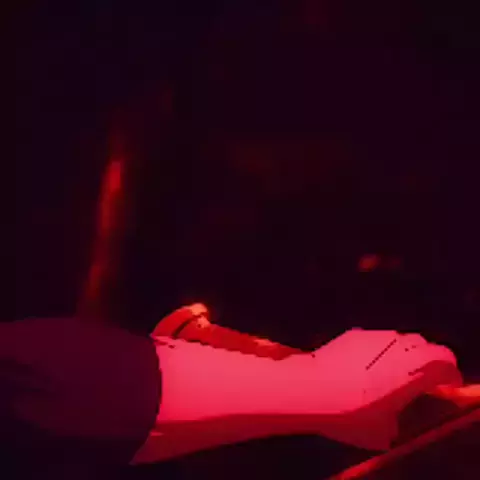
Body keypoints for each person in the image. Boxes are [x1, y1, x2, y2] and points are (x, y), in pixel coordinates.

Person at [1, 304, 472, 478]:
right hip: (79, 414)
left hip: (82, 391)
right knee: (351, 400)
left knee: (353, 396)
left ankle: (203, 343)